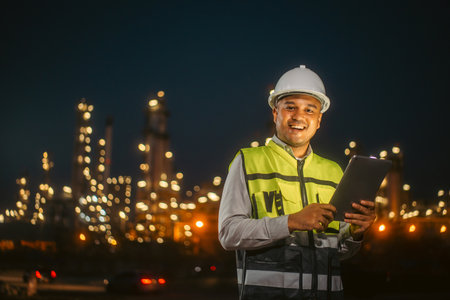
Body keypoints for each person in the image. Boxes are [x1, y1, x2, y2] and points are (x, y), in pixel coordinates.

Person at [218, 65, 376, 300]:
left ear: (319, 119)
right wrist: (291, 222)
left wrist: (355, 233)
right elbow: (229, 234)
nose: (299, 116)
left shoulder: (333, 171)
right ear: (275, 113)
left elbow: (338, 252)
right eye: (290, 107)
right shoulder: (248, 161)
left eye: (309, 110)